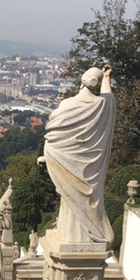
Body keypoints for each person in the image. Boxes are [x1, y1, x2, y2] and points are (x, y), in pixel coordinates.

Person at [40, 65, 116, 245]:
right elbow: (110, 98)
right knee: (78, 201)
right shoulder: (103, 105)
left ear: (82, 82)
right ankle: (83, 235)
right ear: (97, 85)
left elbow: (55, 137)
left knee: (69, 199)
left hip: (64, 163)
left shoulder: (68, 105)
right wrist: (106, 78)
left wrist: (50, 157)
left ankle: (72, 235)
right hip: (89, 170)